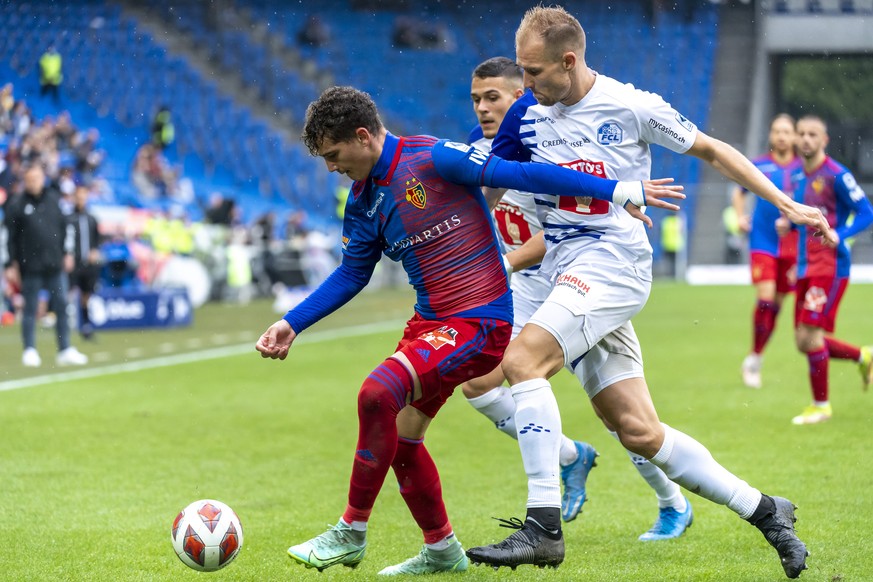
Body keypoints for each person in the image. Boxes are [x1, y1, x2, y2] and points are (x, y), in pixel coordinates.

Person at [464, 6, 834, 578]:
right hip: (566, 272)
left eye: (533, 72)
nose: (525, 84)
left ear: (569, 60)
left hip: (614, 266)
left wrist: (785, 203)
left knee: (521, 360)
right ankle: (766, 510)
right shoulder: (527, 117)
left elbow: (712, 150)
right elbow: (490, 186)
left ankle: (542, 526)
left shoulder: (630, 105)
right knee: (637, 430)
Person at [255, 86, 683, 576]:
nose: (331, 167)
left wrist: (614, 189)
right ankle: (441, 550)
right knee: (400, 437)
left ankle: (350, 531)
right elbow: (353, 272)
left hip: (480, 322)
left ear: (361, 136)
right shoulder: (363, 200)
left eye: (334, 155)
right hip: (432, 324)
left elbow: (519, 173)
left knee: (376, 394)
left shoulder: (434, 158)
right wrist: (292, 323)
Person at [462, 56, 694, 538]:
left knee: (620, 414)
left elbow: (564, 228)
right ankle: (569, 455)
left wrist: (502, 263)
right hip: (523, 291)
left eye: (494, 98)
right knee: (477, 382)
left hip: (575, 278)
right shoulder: (475, 154)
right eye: (476, 100)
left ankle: (672, 501)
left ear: (521, 96)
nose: (484, 109)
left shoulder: (544, 143)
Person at [785, 115, 873, 425]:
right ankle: (863, 356)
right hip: (807, 266)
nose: (806, 139)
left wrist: (841, 235)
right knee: (803, 341)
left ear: (824, 140)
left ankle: (821, 407)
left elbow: (866, 212)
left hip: (831, 266)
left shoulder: (837, 175)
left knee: (810, 336)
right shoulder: (797, 177)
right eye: (802, 133)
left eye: (812, 134)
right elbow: (805, 224)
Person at [731, 114, 803, 388]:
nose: (782, 136)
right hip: (762, 241)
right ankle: (755, 359)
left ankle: (755, 357)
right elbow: (740, 192)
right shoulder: (759, 165)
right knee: (766, 298)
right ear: (771, 135)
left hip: (791, 245)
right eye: (777, 131)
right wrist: (739, 217)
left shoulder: (802, 168)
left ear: (794, 136)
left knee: (776, 307)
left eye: (786, 131)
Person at [4, 164, 87, 367]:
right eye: (30, 179)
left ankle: (65, 348)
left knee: (61, 305)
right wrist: (9, 264)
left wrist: (67, 253)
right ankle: (30, 350)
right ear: (25, 180)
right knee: (30, 308)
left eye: (37, 178)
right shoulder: (17, 204)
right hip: (30, 266)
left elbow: (66, 227)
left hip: (55, 264)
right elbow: (9, 237)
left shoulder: (53, 199)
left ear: (43, 178)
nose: (33, 182)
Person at [68, 184, 101, 339]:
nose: (81, 200)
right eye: (78, 196)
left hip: (88, 264)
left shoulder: (92, 218)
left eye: (83, 196)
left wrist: (95, 250)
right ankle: (66, 324)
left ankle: (86, 326)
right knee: (67, 292)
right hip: (73, 263)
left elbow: (97, 239)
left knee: (86, 295)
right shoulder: (69, 218)